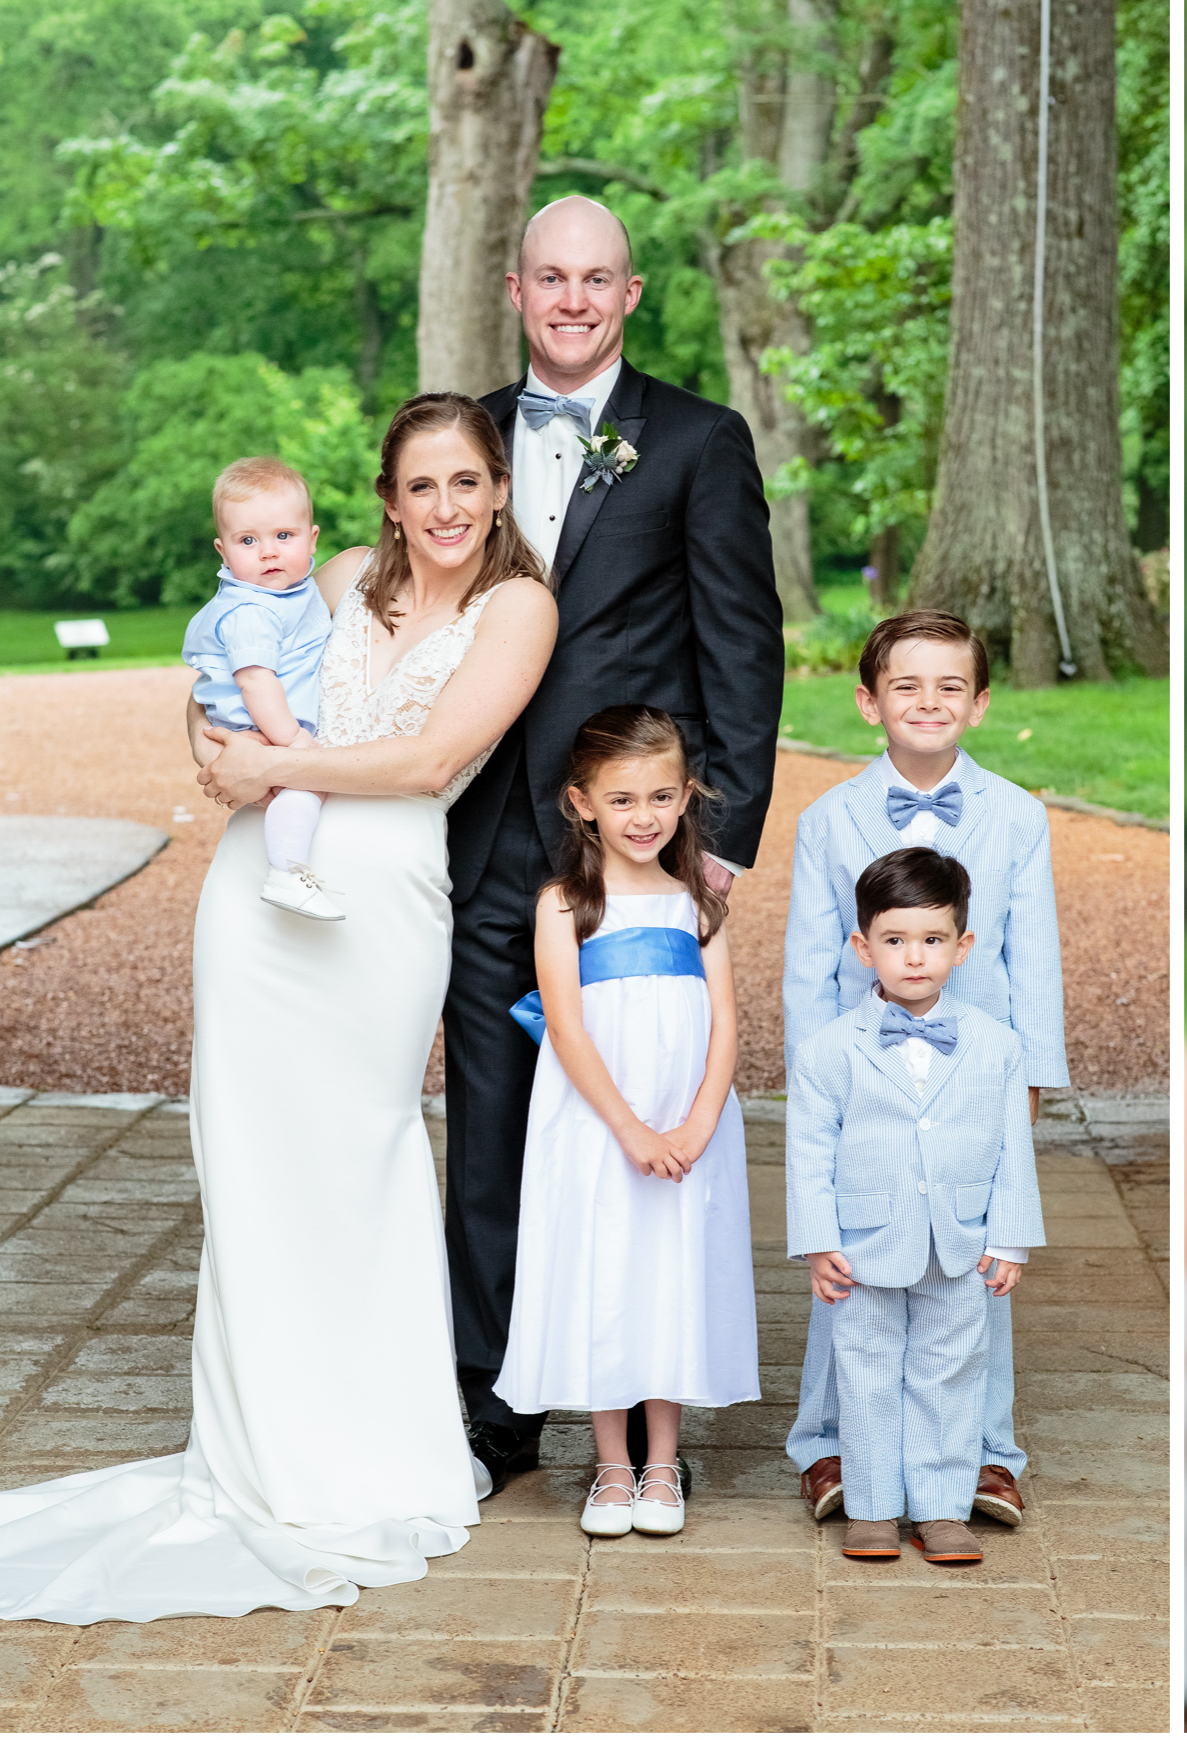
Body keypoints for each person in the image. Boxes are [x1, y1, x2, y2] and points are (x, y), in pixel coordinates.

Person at [0, 393, 557, 1623]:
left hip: (387, 902)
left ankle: (372, 1447)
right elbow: (222, 675)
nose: (445, 508)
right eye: (421, 487)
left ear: (496, 489)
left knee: (361, 1152)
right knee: (250, 1163)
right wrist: (208, 730)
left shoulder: (522, 608)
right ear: (388, 502)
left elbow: (422, 762)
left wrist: (274, 765)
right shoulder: (340, 572)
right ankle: (256, 1450)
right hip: (256, 896)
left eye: (467, 483)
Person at [450, 195, 785, 1498]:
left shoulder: (700, 441)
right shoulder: (469, 435)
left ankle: (650, 1426)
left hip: (639, 864)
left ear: (632, 294)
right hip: (487, 851)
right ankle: (493, 1417)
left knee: (646, 1134)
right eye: (552, 278)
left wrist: (724, 837)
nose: (575, 299)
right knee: (490, 1137)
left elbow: (740, 645)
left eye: (598, 280)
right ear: (518, 289)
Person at [781, 611, 1068, 1530]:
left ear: (980, 704)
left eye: (950, 686)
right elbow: (808, 960)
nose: (929, 702)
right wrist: (809, 1078)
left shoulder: (1017, 816)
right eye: (907, 684)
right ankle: (830, 1442)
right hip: (860, 1071)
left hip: (974, 1074)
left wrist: (1031, 1077)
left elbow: (1036, 954)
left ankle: (987, 1454)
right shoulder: (829, 819)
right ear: (870, 702)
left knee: (975, 1258)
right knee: (854, 1260)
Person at [493, 705, 758, 1539]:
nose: (642, 817)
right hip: (598, 1124)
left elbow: (725, 1024)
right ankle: (611, 1466)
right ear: (581, 803)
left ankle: (663, 1462)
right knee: (606, 1267)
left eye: (660, 797)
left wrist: (697, 1122)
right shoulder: (566, 904)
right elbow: (566, 1028)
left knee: (672, 1269)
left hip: (687, 1122)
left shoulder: (700, 903)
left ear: (686, 798)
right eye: (621, 800)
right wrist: (632, 1130)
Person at [786, 848, 1046, 1567]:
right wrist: (817, 1241)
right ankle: (871, 1508)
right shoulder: (828, 1050)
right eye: (895, 941)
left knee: (952, 1370)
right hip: (863, 1243)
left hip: (959, 1242)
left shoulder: (997, 1047)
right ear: (862, 947)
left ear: (963, 948)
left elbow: (1010, 1150)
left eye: (932, 941)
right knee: (864, 1369)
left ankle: (940, 1508)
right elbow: (809, 1150)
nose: (913, 959)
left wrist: (1011, 1239)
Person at [179, 456, 339, 920]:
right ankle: (287, 874)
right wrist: (292, 743)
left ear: (312, 540)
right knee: (307, 788)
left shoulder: (288, 592)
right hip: (257, 723)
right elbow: (255, 682)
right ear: (223, 551)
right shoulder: (252, 611)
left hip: (262, 720)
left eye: (283, 537)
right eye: (248, 540)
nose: (268, 552)